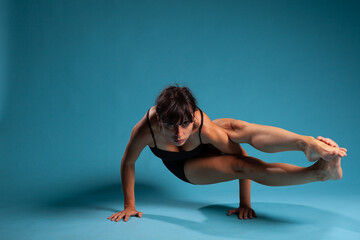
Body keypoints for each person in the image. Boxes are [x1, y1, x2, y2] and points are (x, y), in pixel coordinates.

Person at [108, 84, 347, 222]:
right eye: (171, 125)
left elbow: (241, 154)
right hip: (186, 166)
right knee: (240, 167)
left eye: (185, 124)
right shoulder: (145, 130)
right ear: (160, 119)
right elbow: (128, 162)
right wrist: (130, 205)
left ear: (193, 118)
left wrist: (245, 202)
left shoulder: (204, 126)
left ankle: (307, 144)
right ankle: (320, 173)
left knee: (237, 129)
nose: (179, 133)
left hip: (205, 142)